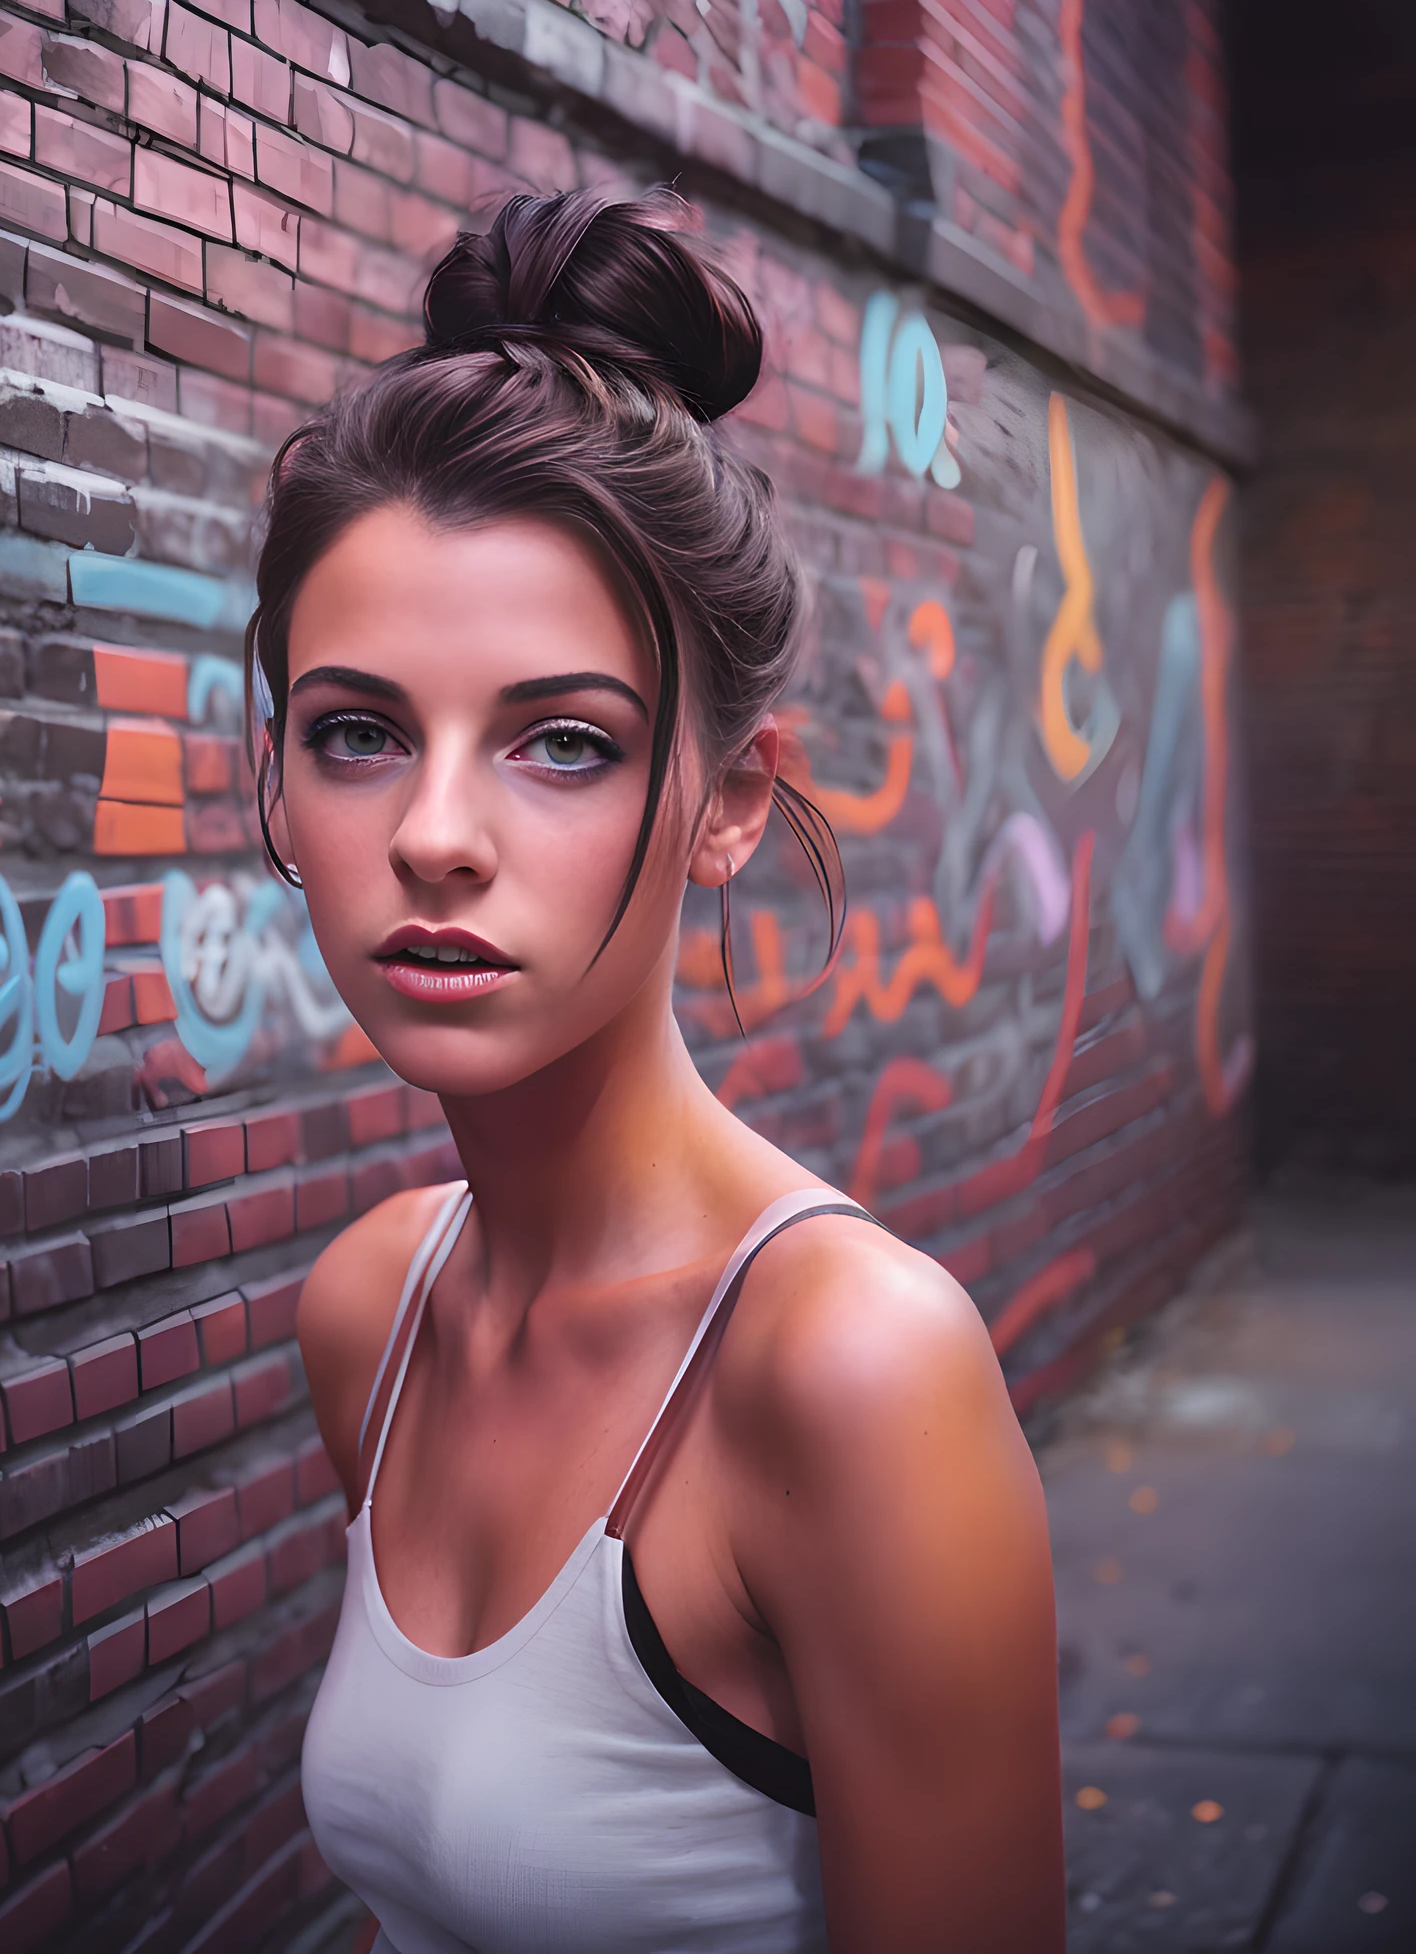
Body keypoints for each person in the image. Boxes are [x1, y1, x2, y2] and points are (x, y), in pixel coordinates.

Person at [262, 189, 1066, 1952]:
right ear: (278, 785)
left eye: (563, 742)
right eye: (357, 734)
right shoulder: (372, 1311)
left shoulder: (854, 1374)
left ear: (726, 800)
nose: (436, 836)